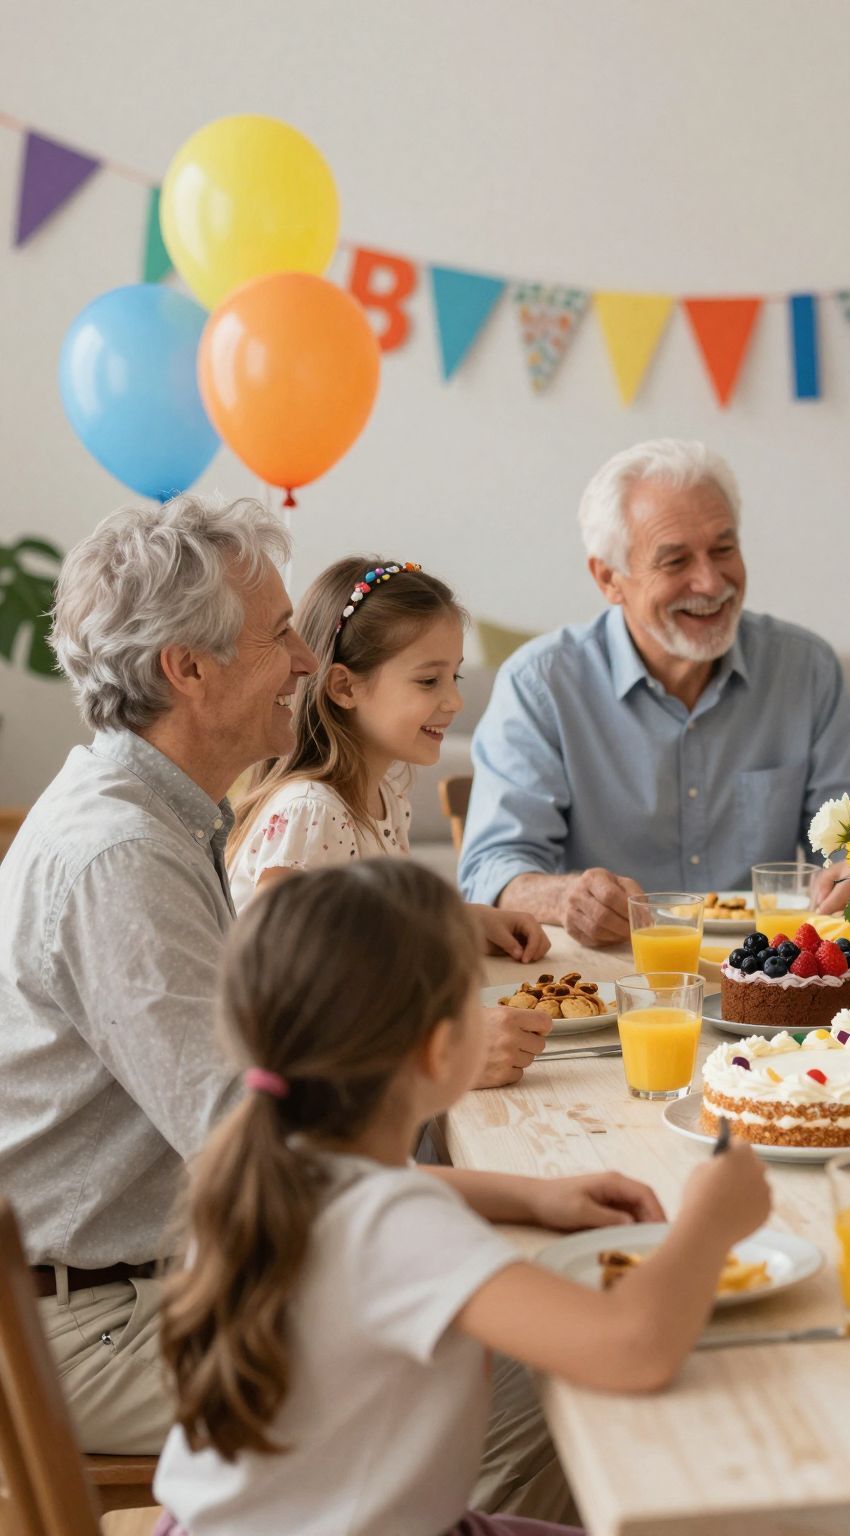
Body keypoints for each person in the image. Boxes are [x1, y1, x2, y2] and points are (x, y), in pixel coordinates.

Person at [0, 498, 551, 1505]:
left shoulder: (164, 816)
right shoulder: (120, 856)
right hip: (98, 1325)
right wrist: (511, 1185)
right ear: (187, 669)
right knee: (521, 1365)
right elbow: (259, 1151)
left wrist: (530, 1199)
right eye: (279, 635)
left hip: (160, 1271)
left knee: (521, 1292)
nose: (305, 662)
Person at [151, 859, 772, 1535]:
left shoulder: (265, 1170)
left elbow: (385, 1201)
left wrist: (532, 1198)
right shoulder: (396, 1227)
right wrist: (711, 1221)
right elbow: (633, 1347)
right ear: (441, 1049)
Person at [458, 438, 850, 946]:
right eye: (675, 561)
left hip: (772, 968)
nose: (709, 581)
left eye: (724, 549)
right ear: (609, 578)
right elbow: (492, 871)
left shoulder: (805, 668)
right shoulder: (541, 683)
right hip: (613, 972)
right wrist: (566, 898)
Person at [227, 555, 549, 973]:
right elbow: (280, 970)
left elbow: (364, 926)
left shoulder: (385, 797)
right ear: (344, 687)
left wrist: (463, 920)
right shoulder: (312, 811)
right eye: (429, 681)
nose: (454, 701)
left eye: (456, 677)